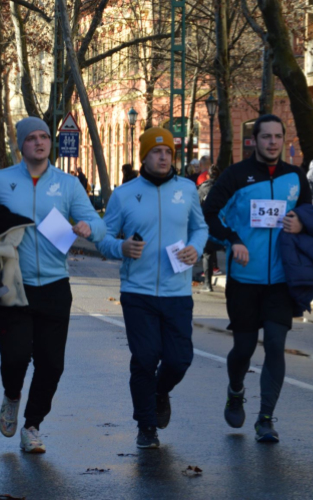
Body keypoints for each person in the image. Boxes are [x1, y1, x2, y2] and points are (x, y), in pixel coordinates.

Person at [0, 116, 106, 454]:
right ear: (20, 145)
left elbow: (97, 223)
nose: (39, 143)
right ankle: (11, 395)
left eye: (45, 137)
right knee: (15, 357)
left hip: (54, 284)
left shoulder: (67, 185)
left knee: (51, 364)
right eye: (31, 138)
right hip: (13, 283)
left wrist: (86, 228)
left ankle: (32, 425)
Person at [97, 127, 208, 449]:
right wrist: (121, 248)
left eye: (168, 152)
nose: (163, 157)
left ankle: (160, 392)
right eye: (156, 152)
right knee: (145, 358)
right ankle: (146, 426)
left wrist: (195, 248)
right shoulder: (124, 194)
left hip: (177, 292)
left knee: (179, 360)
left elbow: (200, 227)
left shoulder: (187, 190)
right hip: (138, 292)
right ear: (144, 156)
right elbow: (104, 238)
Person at [203, 114, 311, 443]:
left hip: (281, 279)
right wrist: (231, 239)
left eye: (278, 136)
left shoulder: (296, 177)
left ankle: (265, 419)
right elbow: (210, 213)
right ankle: (236, 390)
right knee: (245, 348)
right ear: (255, 140)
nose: (273, 142)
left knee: (276, 345)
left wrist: (301, 224)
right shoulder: (237, 176)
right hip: (245, 279)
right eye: (267, 137)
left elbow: (310, 215)